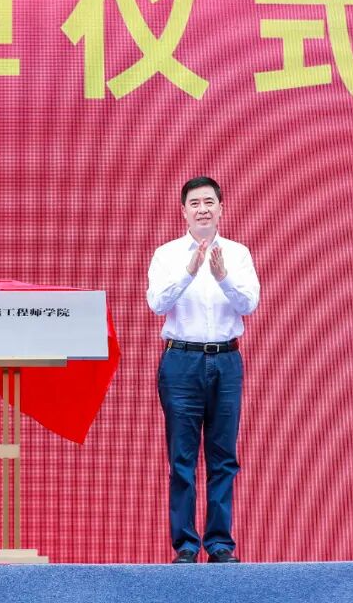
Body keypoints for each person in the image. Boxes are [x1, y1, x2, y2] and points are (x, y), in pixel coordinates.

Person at [146, 176, 260, 564]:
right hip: (181, 362)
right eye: (194, 203)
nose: (203, 209)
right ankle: (186, 545)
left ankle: (220, 544)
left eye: (209, 202)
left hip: (226, 361)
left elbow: (248, 304)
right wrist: (189, 271)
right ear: (184, 212)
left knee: (223, 457)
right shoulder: (167, 255)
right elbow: (157, 304)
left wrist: (222, 276)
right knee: (182, 457)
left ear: (221, 208)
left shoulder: (238, 254)